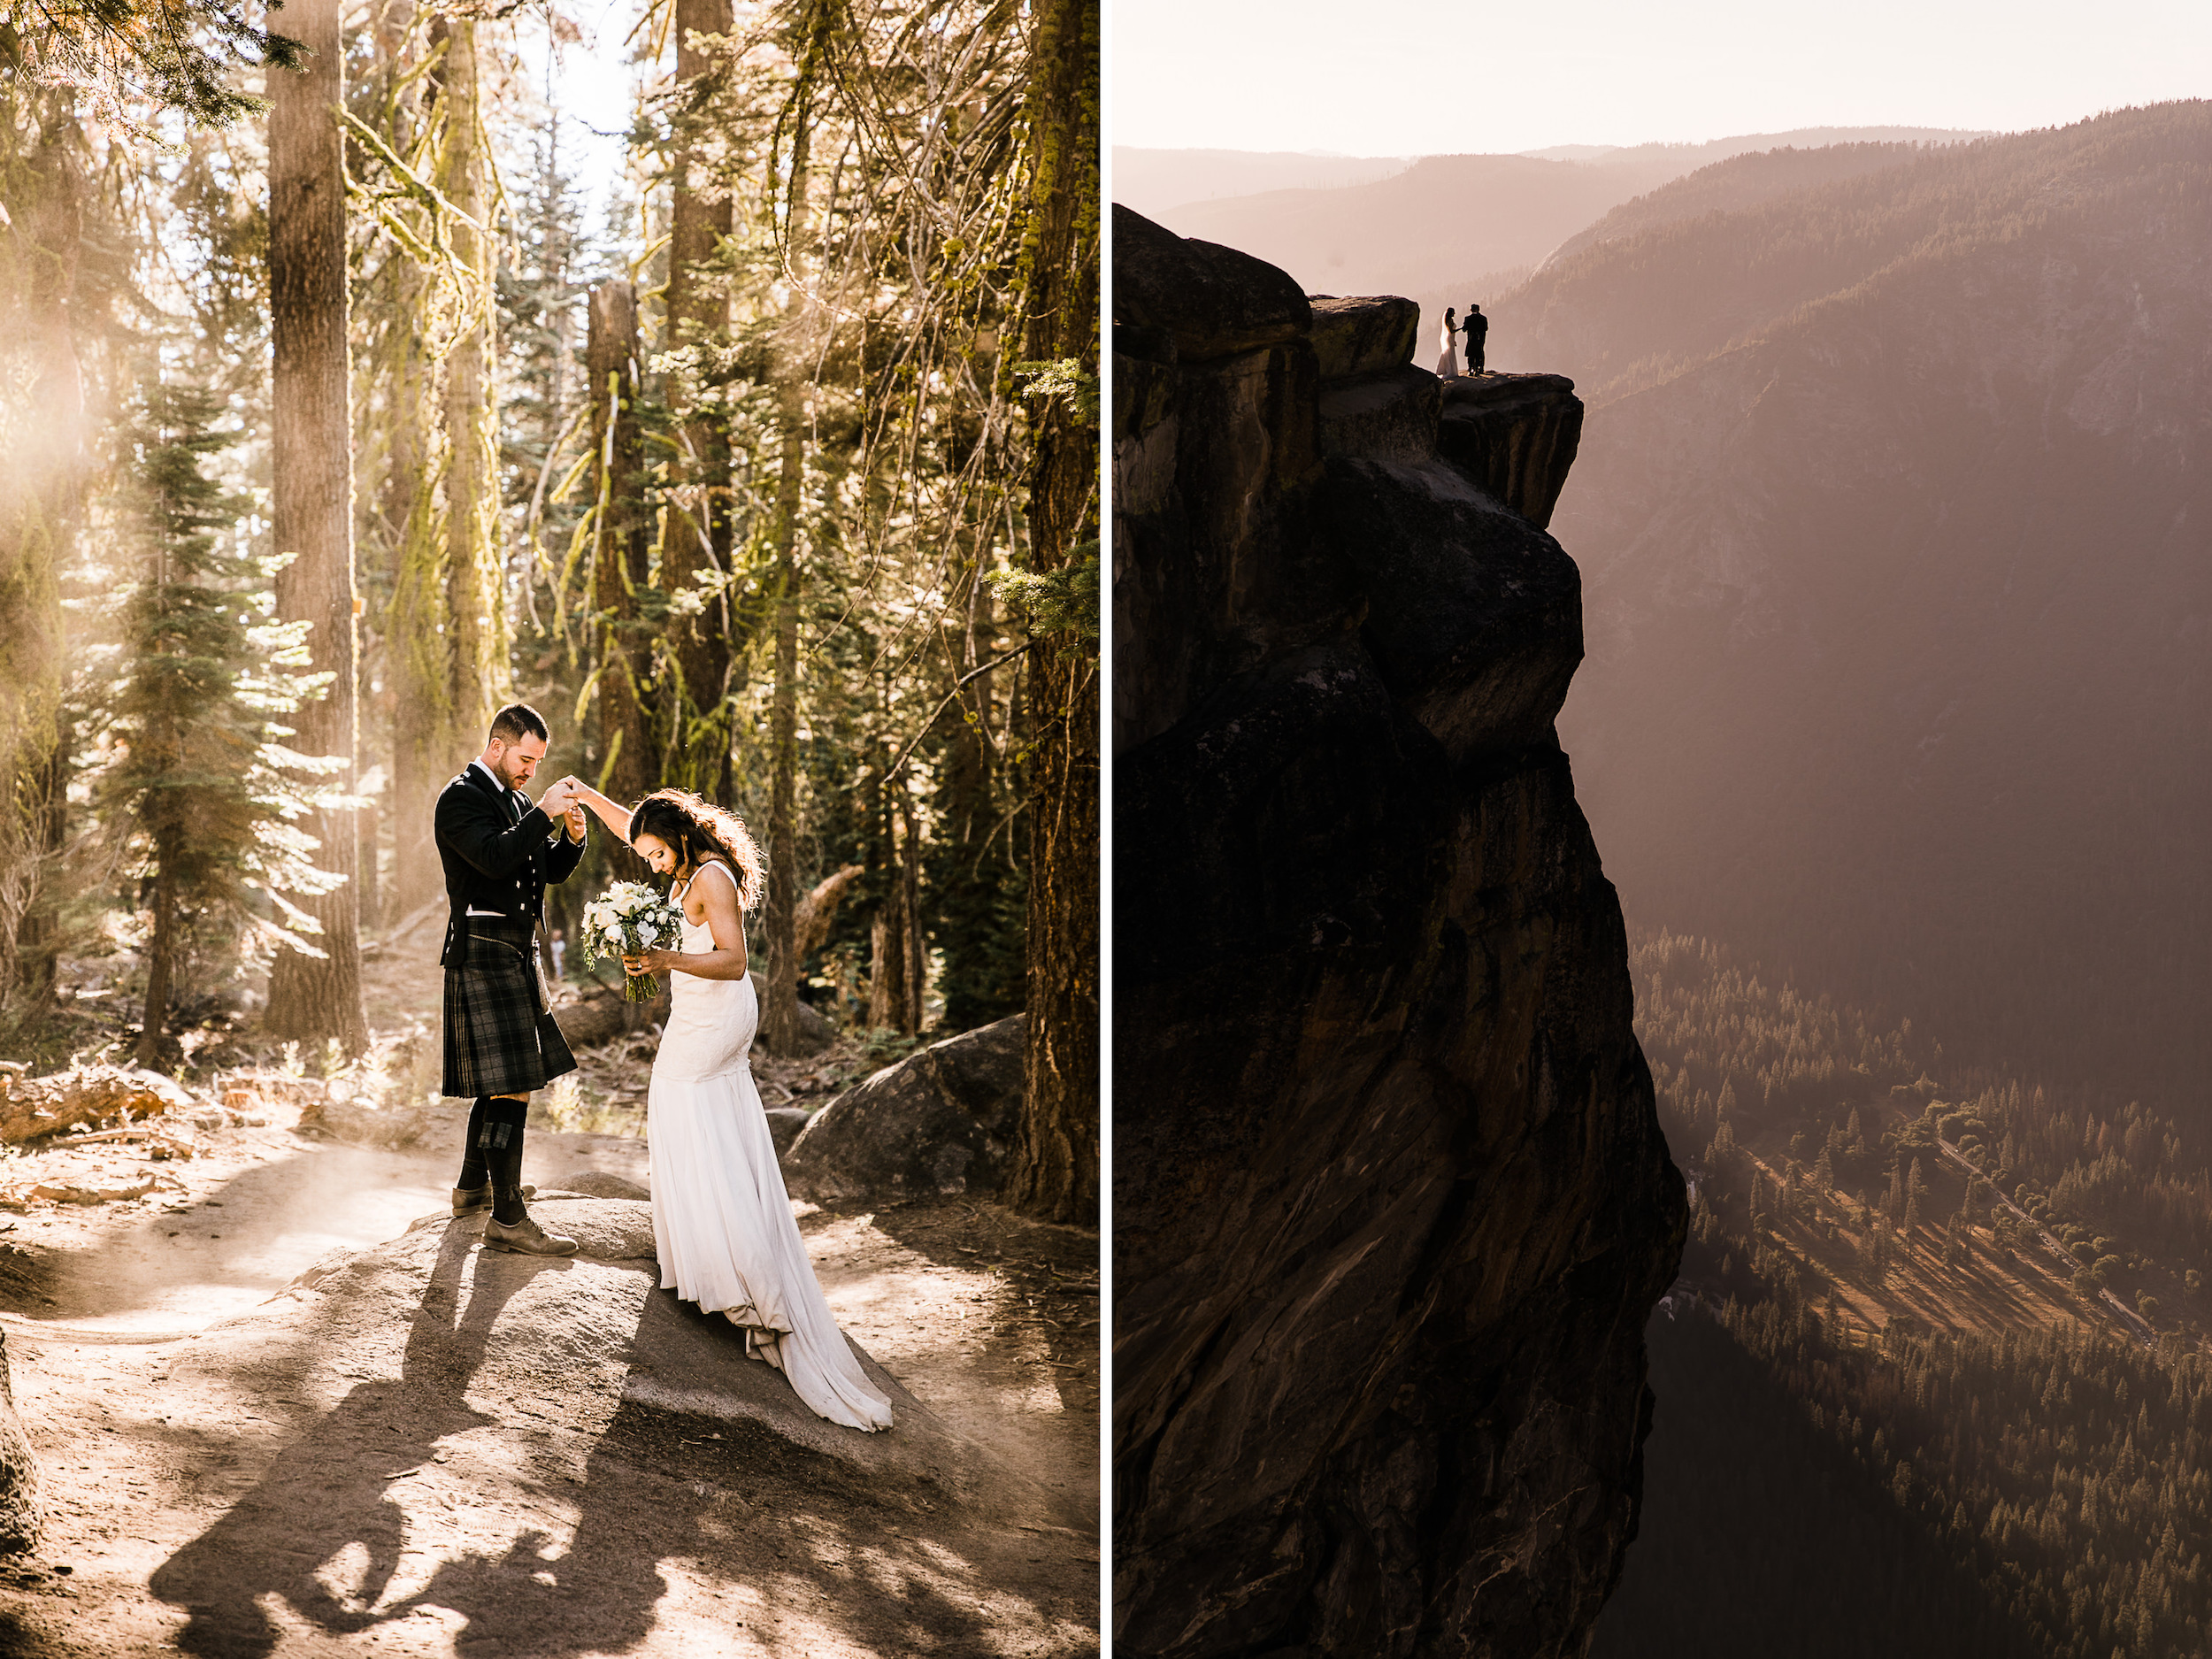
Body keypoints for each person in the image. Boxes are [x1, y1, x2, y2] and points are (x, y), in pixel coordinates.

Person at [565, 778, 895, 1432]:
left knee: (682, 1097)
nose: (653, 865)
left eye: (657, 855)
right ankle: (707, 1253)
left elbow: (735, 961)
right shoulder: (680, 857)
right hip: (699, 1012)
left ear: (682, 840)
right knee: (694, 1111)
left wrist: (662, 958)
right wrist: (584, 794)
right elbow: (634, 823)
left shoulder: (710, 876)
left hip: (717, 1013)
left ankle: (734, 1273)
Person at [434, 703, 591, 1256]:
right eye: (525, 758)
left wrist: (570, 839)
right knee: (510, 1082)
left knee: (505, 1079)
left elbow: (540, 870)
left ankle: (472, 1189)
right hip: (481, 949)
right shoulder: (460, 797)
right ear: (497, 746)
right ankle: (507, 1216)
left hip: (516, 952)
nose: (531, 770)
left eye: (538, 761)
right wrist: (542, 817)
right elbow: (495, 860)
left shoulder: (518, 800)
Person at [1463, 302, 1488, 375]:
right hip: (1480, 338)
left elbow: (1464, 329)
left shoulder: (1468, 318)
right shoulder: (1483, 318)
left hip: (1471, 338)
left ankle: (1471, 368)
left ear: (1471, 310)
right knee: (1480, 352)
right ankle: (1480, 368)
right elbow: (1486, 328)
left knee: (1471, 353)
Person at [1436, 305, 1460, 378]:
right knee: (1450, 353)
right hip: (1450, 338)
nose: (1454, 314)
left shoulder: (1447, 320)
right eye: (1453, 312)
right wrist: (1460, 329)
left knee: (1448, 352)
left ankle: (1444, 368)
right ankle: (1450, 370)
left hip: (1450, 338)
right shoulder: (1450, 320)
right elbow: (1451, 331)